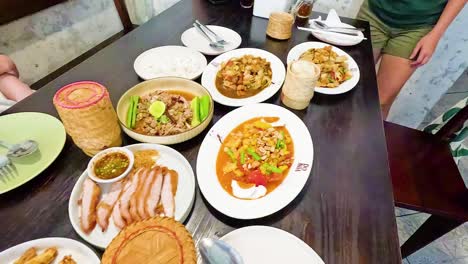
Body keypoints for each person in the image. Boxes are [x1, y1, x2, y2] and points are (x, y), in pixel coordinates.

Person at [357, 0, 466, 118]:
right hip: (374, 12)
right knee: (346, 80)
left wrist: (435, 35)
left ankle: (367, 136)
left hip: (418, 27)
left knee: (380, 103)